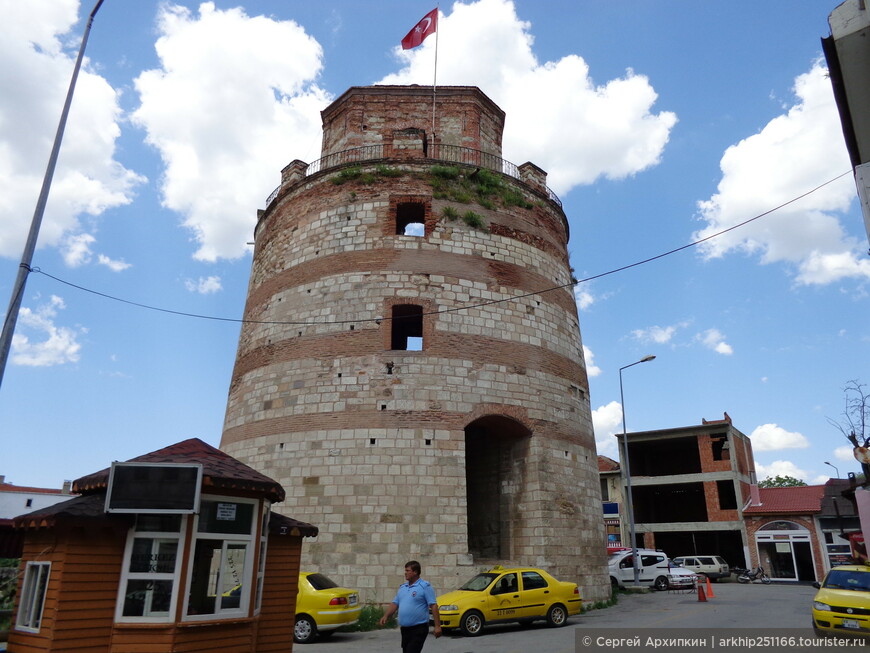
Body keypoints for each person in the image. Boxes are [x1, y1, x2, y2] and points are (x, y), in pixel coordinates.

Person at [379, 560, 442, 653]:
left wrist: (437, 626)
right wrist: (386, 616)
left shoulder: (424, 586)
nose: (405, 573)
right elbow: (395, 603)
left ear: (415, 572)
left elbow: (433, 605)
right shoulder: (403, 588)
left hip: (419, 629)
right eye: (405, 570)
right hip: (405, 629)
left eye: (408, 571)